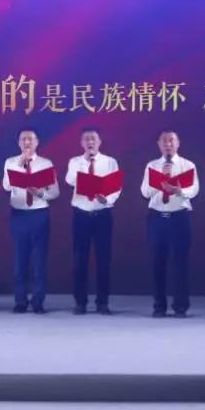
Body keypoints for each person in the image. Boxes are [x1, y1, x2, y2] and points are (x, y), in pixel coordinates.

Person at [141, 130, 199, 318]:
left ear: (178, 143)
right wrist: (160, 180)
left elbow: (194, 190)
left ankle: (180, 306)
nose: (168, 144)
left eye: (171, 140)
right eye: (164, 141)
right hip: (157, 218)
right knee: (157, 263)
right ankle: (159, 306)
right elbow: (145, 192)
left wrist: (179, 190)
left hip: (179, 218)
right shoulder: (152, 166)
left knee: (180, 263)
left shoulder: (187, 165)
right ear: (158, 144)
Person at [2, 128, 59, 314]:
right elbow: (6, 186)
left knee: (39, 260)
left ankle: (38, 301)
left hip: (39, 214)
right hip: (19, 214)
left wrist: (41, 193)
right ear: (18, 143)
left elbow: (55, 192)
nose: (27, 142)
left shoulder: (46, 163)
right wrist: (20, 165)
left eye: (30, 139)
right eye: (23, 139)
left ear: (37, 142)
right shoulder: (11, 162)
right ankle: (20, 301)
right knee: (20, 259)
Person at [64, 128, 121, 315]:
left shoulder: (110, 162)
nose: (90, 142)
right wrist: (84, 166)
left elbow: (116, 187)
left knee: (103, 259)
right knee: (79, 259)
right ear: (81, 143)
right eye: (86, 139)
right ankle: (80, 302)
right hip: (81, 214)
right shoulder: (75, 162)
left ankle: (102, 302)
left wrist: (107, 199)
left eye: (93, 139)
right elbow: (70, 180)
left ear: (99, 142)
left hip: (102, 214)